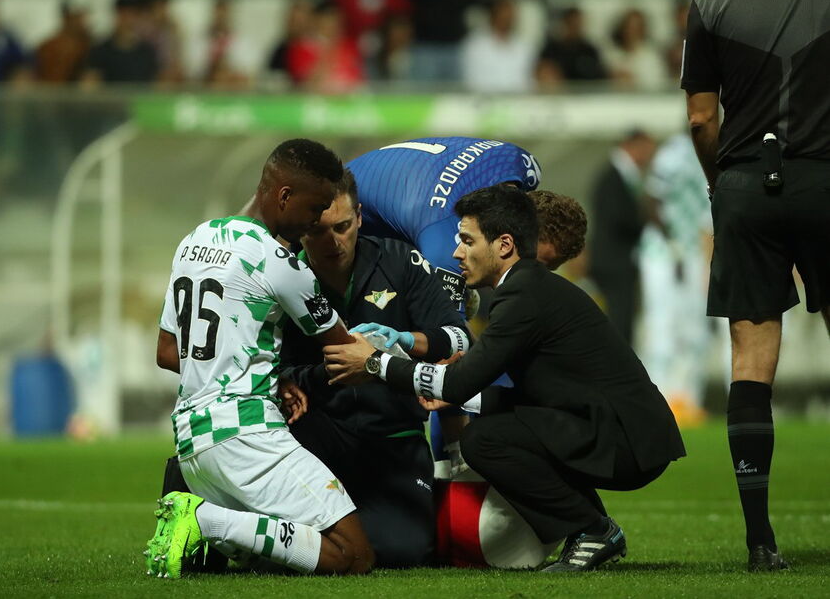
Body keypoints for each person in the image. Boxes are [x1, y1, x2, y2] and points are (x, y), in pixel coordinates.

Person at [323, 185, 685, 573]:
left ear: (505, 245)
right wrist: (458, 396)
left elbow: (459, 381)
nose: (457, 252)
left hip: (627, 441)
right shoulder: (527, 288)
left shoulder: (523, 295)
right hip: (620, 428)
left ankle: (592, 529)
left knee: (486, 440)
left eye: (466, 240)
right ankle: (593, 529)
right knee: (497, 430)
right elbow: (535, 395)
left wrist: (376, 363)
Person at [146, 139, 374, 578]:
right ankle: (204, 520)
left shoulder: (194, 239)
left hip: (193, 446)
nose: (316, 224)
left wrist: (266, 375)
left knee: (284, 559)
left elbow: (169, 352)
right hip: (246, 436)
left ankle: (214, 528)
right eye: (315, 209)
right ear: (285, 197)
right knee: (354, 554)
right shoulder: (278, 261)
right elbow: (347, 354)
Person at [681, 0, 830, 571]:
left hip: (746, 186)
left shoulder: (711, 2)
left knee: (751, 359)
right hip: (825, 181)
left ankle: (761, 542)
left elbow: (700, 119)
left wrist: (722, 183)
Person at [280, 170, 469, 567]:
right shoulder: (280, 276)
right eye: (318, 231)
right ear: (301, 231)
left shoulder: (401, 261)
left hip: (394, 439)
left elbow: (459, 337)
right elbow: (263, 363)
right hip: (316, 439)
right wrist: (286, 380)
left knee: (405, 553)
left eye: (344, 227)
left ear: (360, 217)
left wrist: (401, 340)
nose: (333, 241)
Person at [348, 136, 542, 312]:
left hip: (392, 190)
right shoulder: (444, 241)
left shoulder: (517, 161)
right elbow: (451, 331)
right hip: (344, 206)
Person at [638, 133, 713, 426]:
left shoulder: (716, 154)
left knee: (694, 331)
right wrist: (672, 246)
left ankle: (688, 401)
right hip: (663, 252)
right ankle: (657, 401)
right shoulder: (676, 152)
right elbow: (651, 198)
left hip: (693, 251)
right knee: (662, 329)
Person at [587, 129, 658, 345]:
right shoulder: (613, 177)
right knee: (620, 319)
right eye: (646, 149)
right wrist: (646, 221)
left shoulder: (620, 175)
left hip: (616, 259)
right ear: (632, 145)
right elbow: (618, 216)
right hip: (614, 260)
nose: (648, 156)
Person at [80, 0, 159, 87]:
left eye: (132, 16)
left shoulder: (147, 52)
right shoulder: (100, 51)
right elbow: (89, 83)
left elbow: (156, 84)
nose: (128, 21)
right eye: (123, 16)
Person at [461, 0, 536, 94]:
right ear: (493, 16)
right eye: (503, 15)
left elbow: (528, 81)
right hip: (484, 102)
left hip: (518, 102)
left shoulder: (525, 47)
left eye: (510, 16)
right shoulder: (475, 45)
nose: (507, 20)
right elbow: (473, 82)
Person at [536, 6, 606, 88]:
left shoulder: (589, 50)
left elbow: (600, 76)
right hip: (558, 94)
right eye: (572, 23)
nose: (575, 27)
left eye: (578, 23)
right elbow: (543, 72)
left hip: (587, 95)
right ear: (564, 23)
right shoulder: (552, 49)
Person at [34, 1, 91, 84]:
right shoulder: (48, 47)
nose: (83, 22)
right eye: (77, 18)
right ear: (66, 19)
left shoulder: (88, 46)